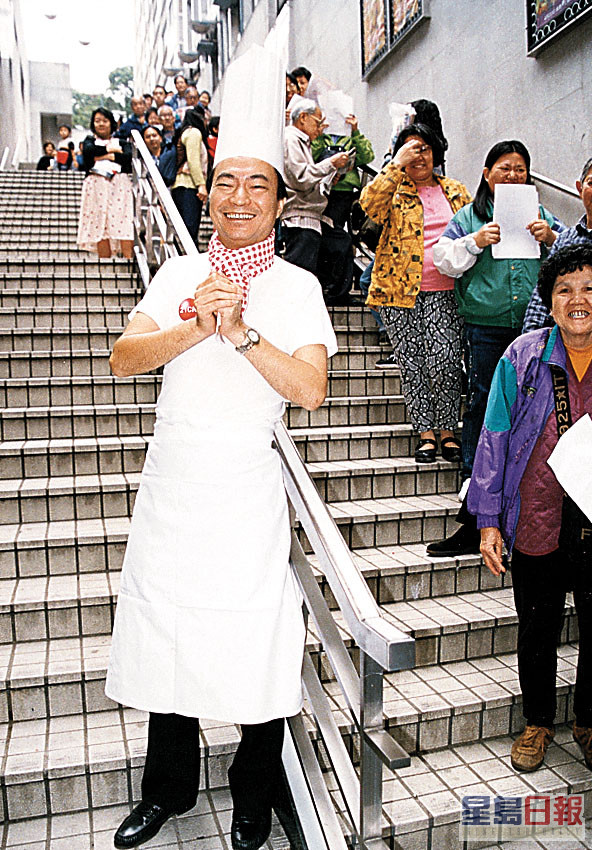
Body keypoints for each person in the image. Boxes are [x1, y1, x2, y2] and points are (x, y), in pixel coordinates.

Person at [106, 44, 337, 850]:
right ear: (209, 194)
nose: (240, 195)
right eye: (228, 180)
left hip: (243, 489)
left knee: (251, 647)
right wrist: (192, 325)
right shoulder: (176, 272)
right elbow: (123, 356)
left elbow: (309, 388)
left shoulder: (298, 288)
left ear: (278, 200)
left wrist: (240, 334)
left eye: (259, 183)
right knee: (167, 638)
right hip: (174, 484)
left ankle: (251, 799)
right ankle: (164, 791)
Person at [467, 243, 592, 774]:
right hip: (538, 514)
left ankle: (588, 721)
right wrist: (489, 520)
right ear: (550, 300)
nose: (578, 299)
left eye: (590, 287)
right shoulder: (522, 355)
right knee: (537, 628)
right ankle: (537, 723)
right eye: (564, 289)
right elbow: (493, 437)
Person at [426, 140, 564, 556]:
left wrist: (551, 236)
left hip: (536, 330)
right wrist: (475, 241)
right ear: (486, 173)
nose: (513, 175)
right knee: (485, 408)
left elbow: (573, 256)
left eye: (521, 168)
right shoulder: (468, 216)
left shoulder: (539, 214)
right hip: (485, 328)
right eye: (504, 167)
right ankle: (474, 516)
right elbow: (442, 260)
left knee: (535, 414)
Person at [359, 123, 472, 462]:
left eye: (423, 147)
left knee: (447, 360)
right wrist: (395, 164)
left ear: (436, 151)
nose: (418, 155)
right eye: (410, 148)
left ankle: (448, 428)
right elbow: (368, 204)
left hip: (447, 289)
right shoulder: (392, 189)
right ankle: (425, 432)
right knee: (412, 363)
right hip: (397, 292)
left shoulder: (455, 191)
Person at [523, 154, 592, 332]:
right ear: (580, 188)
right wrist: (531, 339)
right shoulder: (565, 240)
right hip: (565, 345)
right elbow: (542, 296)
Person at [279, 98, 350, 275]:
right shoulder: (291, 139)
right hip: (300, 216)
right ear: (303, 117)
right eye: (318, 122)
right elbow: (301, 178)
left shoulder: (301, 141)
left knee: (340, 245)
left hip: (309, 216)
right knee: (300, 273)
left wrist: (327, 179)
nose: (320, 128)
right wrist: (330, 164)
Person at [311, 111, 374, 304]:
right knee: (335, 238)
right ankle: (331, 287)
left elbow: (367, 156)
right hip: (322, 191)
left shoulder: (350, 137)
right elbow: (311, 156)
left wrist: (355, 131)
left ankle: (334, 288)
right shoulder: (320, 135)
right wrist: (320, 135)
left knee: (341, 238)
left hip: (345, 192)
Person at [76, 107, 134, 258]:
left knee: (123, 219)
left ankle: (129, 259)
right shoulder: (89, 141)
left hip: (119, 182)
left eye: (105, 121)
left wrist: (102, 156)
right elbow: (88, 153)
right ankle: (105, 262)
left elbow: (128, 158)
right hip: (96, 182)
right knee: (99, 221)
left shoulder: (121, 141)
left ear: (111, 123)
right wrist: (112, 152)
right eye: (97, 121)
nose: (101, 124)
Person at [170, 105, 209, 246]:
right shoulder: (193, 133)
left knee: (187, 231)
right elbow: (194, 161)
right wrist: (201, 185)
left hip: (183, 186)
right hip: (188, 186)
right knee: (190, 231)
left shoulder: (186, 132)